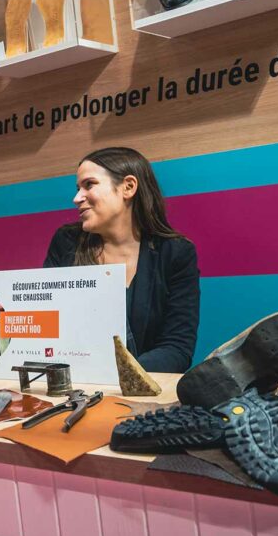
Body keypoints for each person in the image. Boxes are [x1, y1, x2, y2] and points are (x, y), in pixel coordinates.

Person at [44, 147, 200, 373]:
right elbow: (50, 329)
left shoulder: (176, 252)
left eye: (89, 185)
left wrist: (113, 375)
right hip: (74, 389)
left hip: (142, 394)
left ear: (128, 187)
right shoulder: (66, 242)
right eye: (78, 188)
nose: (77, 198)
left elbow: (177, 349)